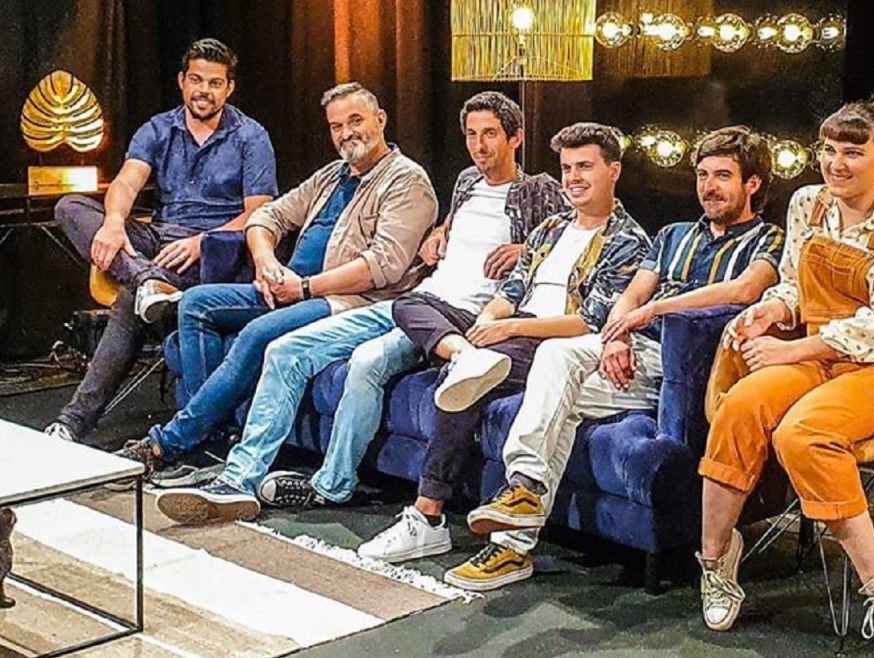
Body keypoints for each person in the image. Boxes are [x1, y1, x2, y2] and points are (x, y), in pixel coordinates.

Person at [152, 91, 566, 523]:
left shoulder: (536, 190)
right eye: (471, 135)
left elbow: (574, 239)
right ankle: (237, 481)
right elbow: (451, 229)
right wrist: (438, 234)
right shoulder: (465, 182)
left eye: (490, 135)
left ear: (516, 138)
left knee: (362, 360)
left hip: (461, 314)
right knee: (284, 350)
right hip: (419, 303)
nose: (479, 145)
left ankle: (332, 485)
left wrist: (526, 250)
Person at [451, 126, 787, 592]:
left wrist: (656, 310)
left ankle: (514, 538)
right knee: (556, 372)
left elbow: (744, 290)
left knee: (558, 398)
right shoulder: (672, 235)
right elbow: (630, 296)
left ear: (752, 183)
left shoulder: (769, 239)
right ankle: (522, 500)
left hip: (682, 368)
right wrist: (616, 337)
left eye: (723, 176)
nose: (709, 186)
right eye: (703, 175)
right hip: (634, 349)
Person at [695, 101, 874, 658]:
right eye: (829, 150)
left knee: (803, 435)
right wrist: (770, 311)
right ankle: (715, 559)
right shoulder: (809, 203)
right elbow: (794, 287)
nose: (836, 163)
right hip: (818, 355)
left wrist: (792, 349)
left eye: (853, 152)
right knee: (740, 405)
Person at [354, 122, 651, 567]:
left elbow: (589, 323)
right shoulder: (550, 228)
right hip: (510, 331)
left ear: (614, 171)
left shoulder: (628, 241)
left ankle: (427, 515)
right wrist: (489, 322)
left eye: (585, 167)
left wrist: (509, 330)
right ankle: (464, 354)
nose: (573, 178)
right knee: (409, 305)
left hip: (552, 342)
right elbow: (509, 292)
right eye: (567, 168)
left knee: (464, 383)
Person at [115, 82, 437, 478]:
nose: (346, 133)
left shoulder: (407, 181)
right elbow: (266, 216)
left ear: (381, 120)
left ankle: (168, 443)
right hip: (292, 287)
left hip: (347, 301)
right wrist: (266, 263)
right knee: (196, 303)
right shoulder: (332, 175)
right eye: (336, 126)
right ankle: (212, 440)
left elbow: (383, 266)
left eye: (356, 121)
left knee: (257, 334)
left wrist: (304, 287)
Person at [44, 38, 277, 443]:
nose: (204, 90)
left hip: (215, 249)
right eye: (197, 80)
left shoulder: (251, 136)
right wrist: (114, 221)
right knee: (70, 207)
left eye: (215, 83)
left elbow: (260, 213)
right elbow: (126, 182)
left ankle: (73, 421)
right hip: (157, 240)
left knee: (128, 300)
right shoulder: (158, 128)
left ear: (229, 88)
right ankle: (146, 278)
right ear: (182, 81)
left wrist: (202, 241)